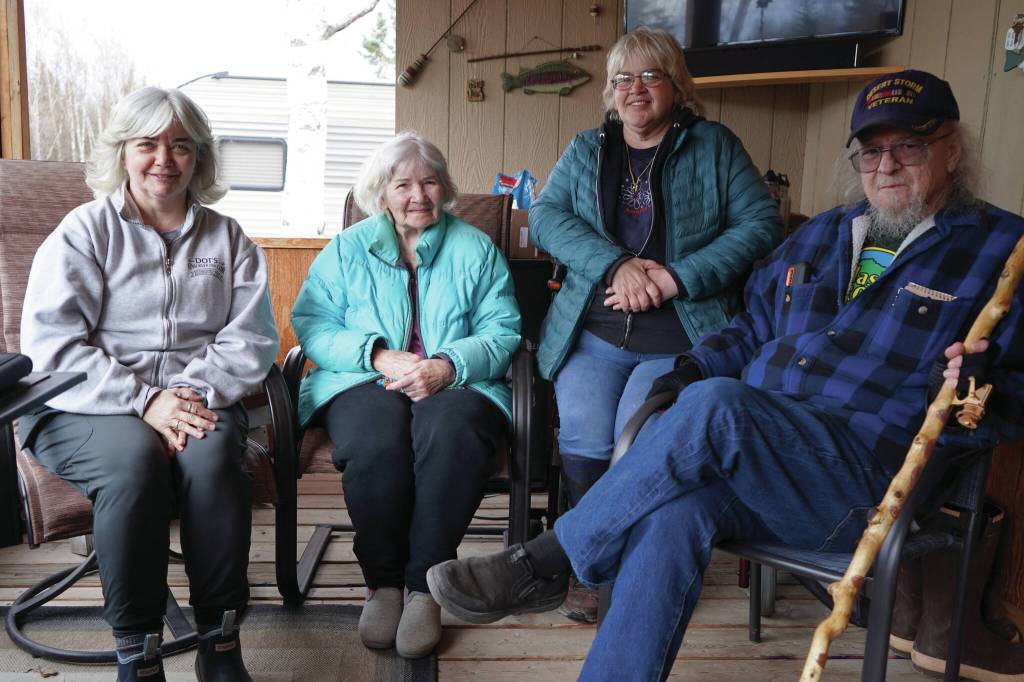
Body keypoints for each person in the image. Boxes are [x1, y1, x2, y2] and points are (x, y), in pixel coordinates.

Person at [427, 69, 1024, 681]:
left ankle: (547, 560)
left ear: (952, 149)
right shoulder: (820, 236)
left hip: (868, 483)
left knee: (720, 406)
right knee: (672, 511)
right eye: (872, 151)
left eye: (909, 147)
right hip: (761, 463)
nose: (887, 166)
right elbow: (749, 328)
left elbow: (1014, 396)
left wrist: (984, 383)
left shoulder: (1004, 253)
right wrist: (685, 371)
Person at [19, 87, 278, 681]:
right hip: (83, 404)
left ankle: (220, 641)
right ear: (123, 153)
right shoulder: (83, 232)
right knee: (132, 462)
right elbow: (52, 346)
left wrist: (187, 395)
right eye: (147, 144)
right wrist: (145, 401)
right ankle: (136, 652)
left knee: (214, 462)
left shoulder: (228, 238)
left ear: (199, 158)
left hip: (197, 400)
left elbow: (253, 338)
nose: (164, 159)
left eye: (180, 146)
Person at [528, 28, 781, 622]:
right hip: (593, 332)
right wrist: (614, 264)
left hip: (680, 336)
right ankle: (601, 561)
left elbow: (760, 225)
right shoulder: (586, 148)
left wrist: (675, 278)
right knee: (585, 439)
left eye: (650, 76)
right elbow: (544, 216)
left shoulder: (715, 146)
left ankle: (617, 565)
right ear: (610, 92)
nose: (634, 90)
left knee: (633, 441)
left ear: (676, 86)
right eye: (622, 78)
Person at [291, 131, 521, 658]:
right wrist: (374, 355)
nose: (418, 195)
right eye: (403, 185)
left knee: (453, 432)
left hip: (460, 379)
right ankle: (384, 583)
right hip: (361, 378)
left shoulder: (475, 248)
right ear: (382, 192)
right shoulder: (348, 249)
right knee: (376, 437)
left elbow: (503, 329)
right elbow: (312, 323)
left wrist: (447, 365)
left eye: (430, 182)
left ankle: (424, 587)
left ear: (445, 189)